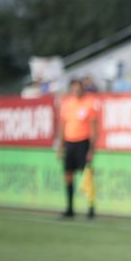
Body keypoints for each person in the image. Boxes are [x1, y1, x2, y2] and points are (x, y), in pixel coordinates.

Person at [55, 77, 99, 219]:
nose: (77, 90)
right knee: (68, 175)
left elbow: (93, 129)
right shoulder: (67, 104)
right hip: (69, 143)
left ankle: (91, 208)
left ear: (82, 89)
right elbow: (62, 126)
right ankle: (69, 208)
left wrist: (91, 149)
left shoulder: (89, 104)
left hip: (83, 143)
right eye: (74, 88)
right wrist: (60, 145)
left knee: (86, 176)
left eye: (79, 88)